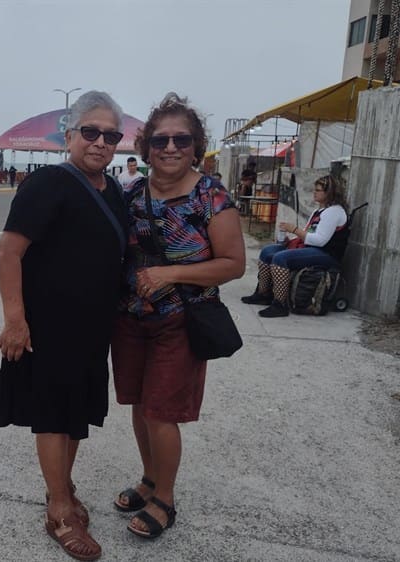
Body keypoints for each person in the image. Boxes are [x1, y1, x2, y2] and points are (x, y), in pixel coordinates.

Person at [0, 90, 127, 561]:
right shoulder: (48, 183)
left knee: (75, 416)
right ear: (69, 135)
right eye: (90, 132)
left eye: (111, 135)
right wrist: (15, 321)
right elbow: (9, 251)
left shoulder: (114, 192)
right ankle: (60, 510)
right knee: (52, 415)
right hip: (48, 327)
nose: (101, 142)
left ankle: (62, 488)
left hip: (91, 330)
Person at [111, 93, 245, 540]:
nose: (170, 148)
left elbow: (233, 264)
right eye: (161, 139)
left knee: (161, 413)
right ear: (146, 146)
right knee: (136, 404)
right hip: (130, 320)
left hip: (180, 321)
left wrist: (172, 273)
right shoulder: (131, 194)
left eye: (181, 139)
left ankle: (164, 498)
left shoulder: (211, 196)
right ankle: (149, 478)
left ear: (197, 145)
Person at [241, 174, 348, 317]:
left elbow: (319, 241)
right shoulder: (320, 211)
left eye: (318, 190)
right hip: (312, 248)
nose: (314, 193)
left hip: (327, 254)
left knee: (280, 258)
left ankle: (280, 304)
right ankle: (263, 293)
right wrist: (289, 239)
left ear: (329, 193)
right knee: (267, 251)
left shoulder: (334, 211)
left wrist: (294, 230)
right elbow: (309, 234)